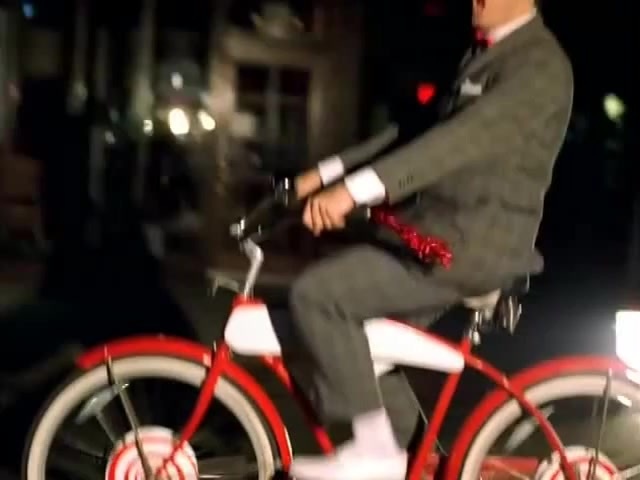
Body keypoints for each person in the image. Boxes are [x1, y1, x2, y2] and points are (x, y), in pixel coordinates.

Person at [287, 0, 574, 478]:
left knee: (320, 296)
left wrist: (351, 193)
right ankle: (408, 460)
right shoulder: (485, 54)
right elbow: (415, 132)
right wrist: (322, 175)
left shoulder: (539, 65)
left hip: (469, 245)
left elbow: (454, 143)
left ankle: (375, 451)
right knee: (363, 342)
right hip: (438, 235)